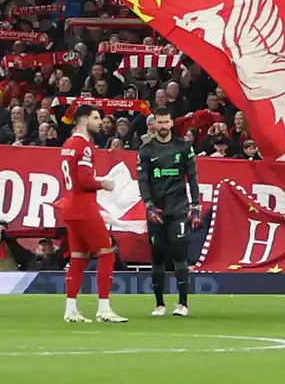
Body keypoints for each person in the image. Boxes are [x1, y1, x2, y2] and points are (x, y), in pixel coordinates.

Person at [55, 123, 124, 325]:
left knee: (78, 258)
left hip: (70, 208)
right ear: (84, 121)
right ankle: (104, 309)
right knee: (107, 254)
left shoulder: (68, 144)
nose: (99, 122)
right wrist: (104, 183)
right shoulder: (85, 147)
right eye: (95, 117)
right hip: (84, 208)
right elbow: (84, 180)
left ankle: (71, 310)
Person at [134, 114, 199, 318]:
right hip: (157, 212)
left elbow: (193, 177)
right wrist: (149, 206)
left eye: (166, 121)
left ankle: (182, 303)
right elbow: (143, 180)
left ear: (172, 123)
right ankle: (159, 304)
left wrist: (195, 204)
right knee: (158, 258)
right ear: (153, 125)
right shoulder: (146, 150)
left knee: (180, 255)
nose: (163, 126)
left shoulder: (183, 147)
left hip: (178, 209)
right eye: (159, 122)